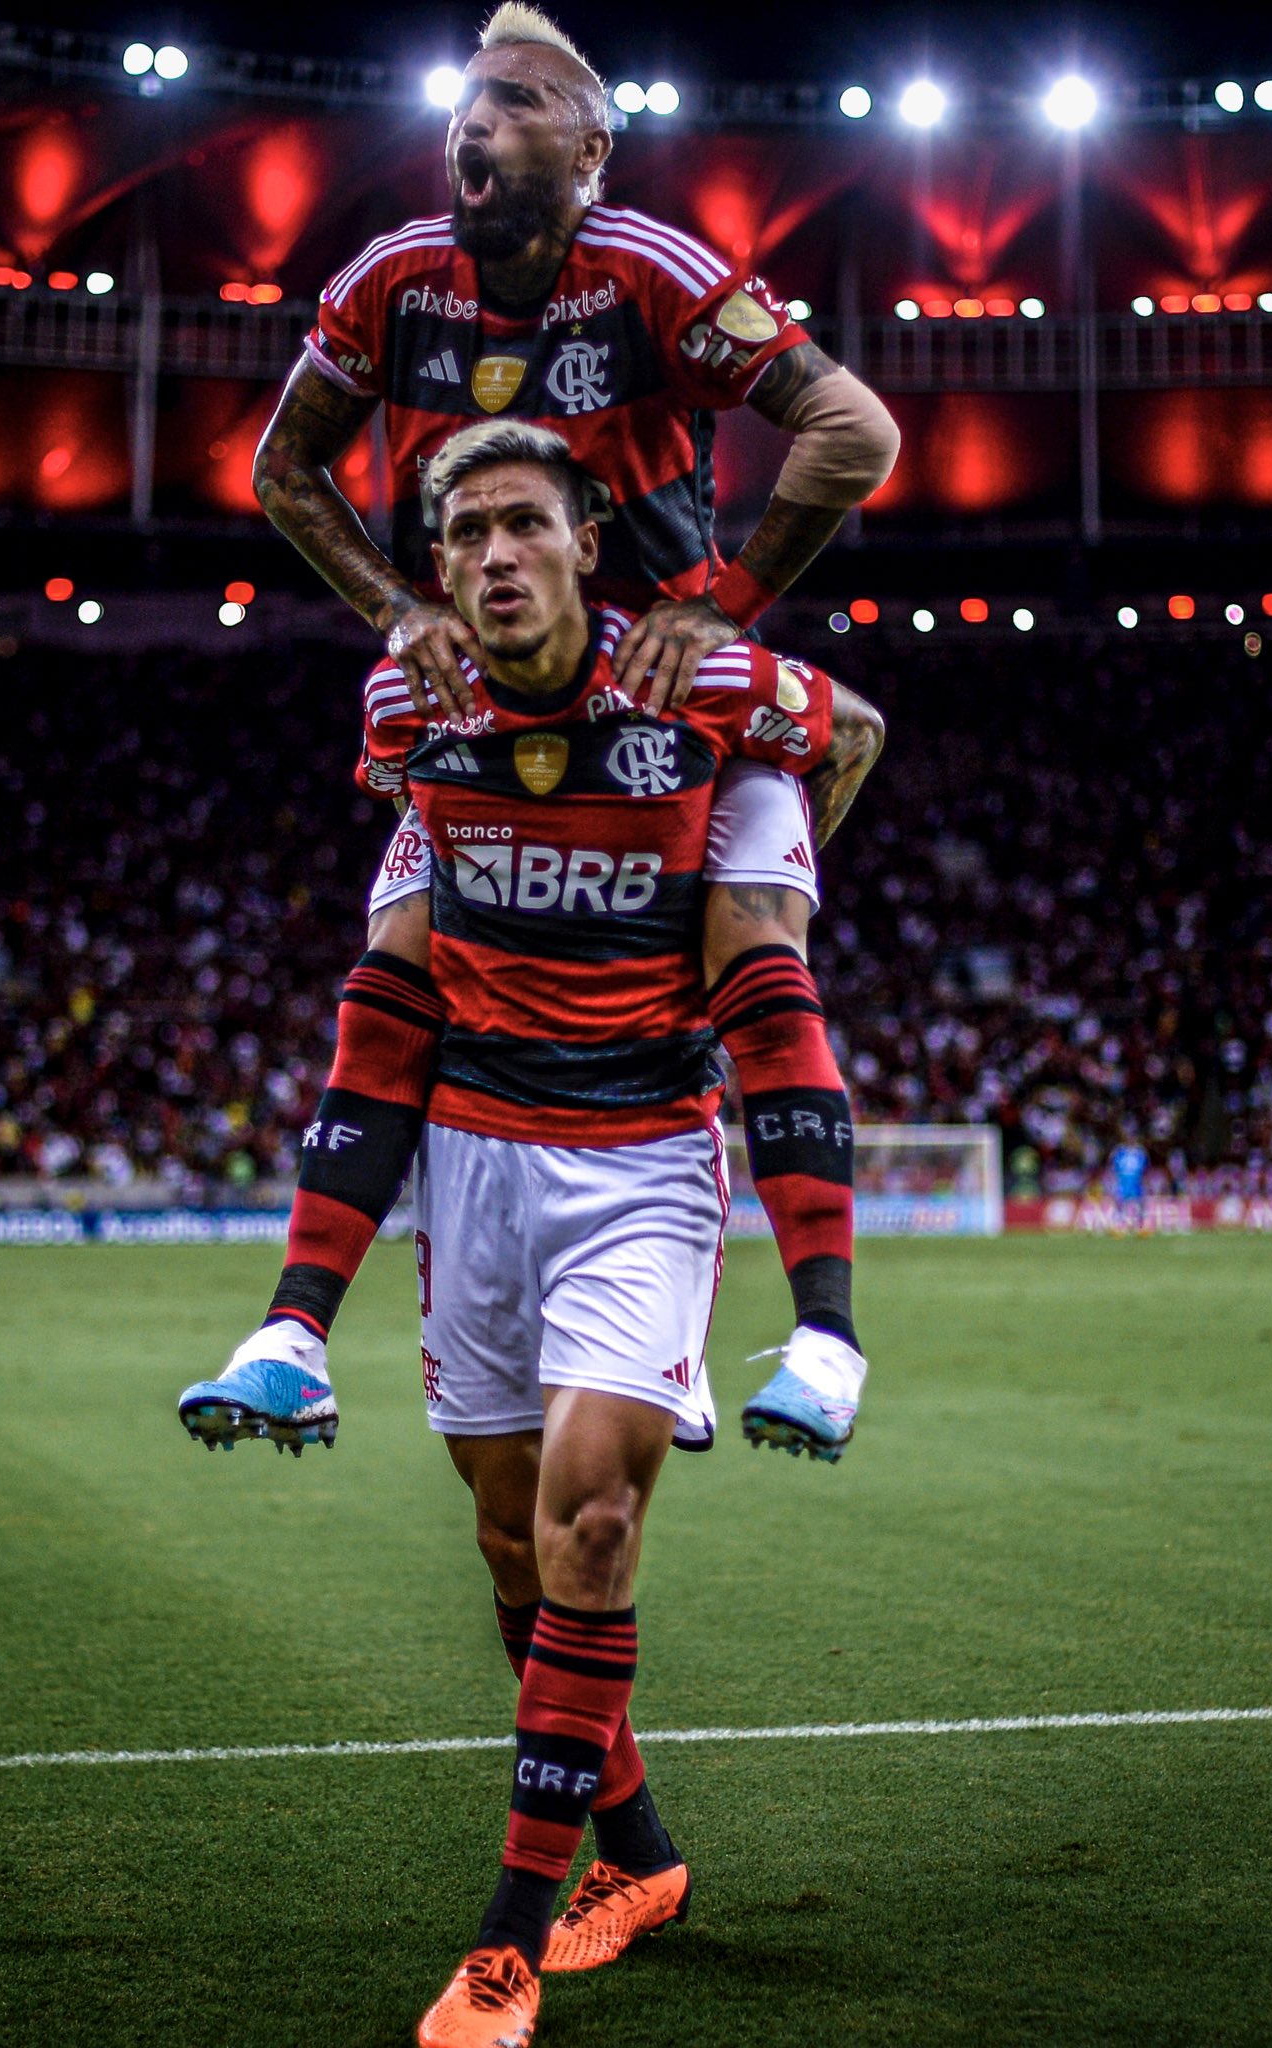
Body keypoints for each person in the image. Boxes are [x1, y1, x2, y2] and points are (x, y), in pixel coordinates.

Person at [196, 422, 875, 2046]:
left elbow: (844, 728)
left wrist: (764, 861)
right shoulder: (405, 708)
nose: (494, 556)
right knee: (509, 1540)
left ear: (587, 546)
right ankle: (637, 1858)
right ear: (436, 572)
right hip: (473, 1165)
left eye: (524, 525)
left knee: (586, 1528)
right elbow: (393, 985)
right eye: (465, 534)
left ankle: (501, 1945)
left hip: (640, 1157)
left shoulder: (703, 687)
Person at [214, 0, 899, 1459]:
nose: (474, 124)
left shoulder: (649, 274)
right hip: (494, 687)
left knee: (742, 953)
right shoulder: (392, 283)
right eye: (465, 104)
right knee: (397, 964)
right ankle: (290, 1335)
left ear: (590, 150)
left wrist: (717, 603)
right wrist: (403, 613)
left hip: (672, 695)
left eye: (519, 102)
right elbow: (284, 472)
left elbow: (856, 434)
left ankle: (817, 1337)